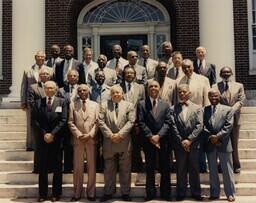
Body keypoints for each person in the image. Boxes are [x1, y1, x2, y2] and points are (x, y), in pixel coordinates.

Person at [98, 85, 135, 202]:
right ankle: (108, 192)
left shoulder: (129, 105)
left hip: (124, 141)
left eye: (118, 92)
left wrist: (120, 135)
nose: (116, 94)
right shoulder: (104, 105)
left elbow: (131, 121)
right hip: (109, 141)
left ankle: (125, 193)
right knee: (109, 168)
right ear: (110, 94)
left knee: (125, 168)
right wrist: (110, 135)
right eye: (113, 93)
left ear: (122, 93)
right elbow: (100, 121)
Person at [168, 84, 203, 201]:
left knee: (194, 168)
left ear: (189, 93)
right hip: (179, 144)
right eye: (180, 92)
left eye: (184, 92)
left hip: (193, 144)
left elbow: (199, 125)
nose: (182, 94)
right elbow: (173, 126)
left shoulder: (197, 108)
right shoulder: (173, 109)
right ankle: (180, 193)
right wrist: (182, 141)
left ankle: (196, 192)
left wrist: (190, 140)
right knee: (180, 169)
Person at [33, 81, 67, 202]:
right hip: (43, 140)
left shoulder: (62, 102)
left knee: (57, 168)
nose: (48, 90)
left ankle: (55, 194)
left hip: (57, 140)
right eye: (46, 88)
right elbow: (35, 121)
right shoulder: (38, 103)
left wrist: (52, 134)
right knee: (43, 168)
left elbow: (63, 120)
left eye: (51, 88)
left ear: (56, 89)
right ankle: (42, 194)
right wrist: (45, 134)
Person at [137, 80, 171, 201]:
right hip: (148, 141)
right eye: (150, 86)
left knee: (165, 168)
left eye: (155, 86)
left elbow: (168, 122)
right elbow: (141, 122)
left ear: (159, 89)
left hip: (163, 141)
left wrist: (159, 136)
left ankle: (165, 194)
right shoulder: (141, 104)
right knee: (150, 168)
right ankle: (150, 194)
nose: (153, 88)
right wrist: (151, 136)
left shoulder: (166, 105)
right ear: (147, 89)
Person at [202, 88, 236, 202]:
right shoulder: (204, 110)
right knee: (212, 170)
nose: (213, 98)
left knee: (227, 171)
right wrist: (212, 138)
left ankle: (230, 194)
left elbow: (228, 126)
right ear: (208, 97)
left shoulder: (228, 110)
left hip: (224, 143)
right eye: (211, 96)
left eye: (216, 96)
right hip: (210, 144)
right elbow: (202, 126)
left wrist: (218, 137)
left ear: (219, 96)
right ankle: (214, 193)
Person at [178, 59, 210, 173]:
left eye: (189, 67)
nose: (186, 69)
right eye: (184, 67)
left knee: (199, 145)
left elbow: (207, 101)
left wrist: (206, 118)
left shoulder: (203, 80)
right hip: (183, 118)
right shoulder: (179, 81)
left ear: (193, 66)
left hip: (198, 117)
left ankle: (201, 168)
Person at [68, 84, 99, 202]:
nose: (82, 92)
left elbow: (97, 123)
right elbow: (70, 122)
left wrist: (90, 134)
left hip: (91, 139)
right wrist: (79, 135)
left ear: (89, 91)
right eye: (80, 90)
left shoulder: (96, 105)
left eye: (84, 90)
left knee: (92, 167)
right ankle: (77, 193)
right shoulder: (72, 105)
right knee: (77, 167)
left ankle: (91, 193)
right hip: (78, 140)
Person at [213, 66, 245, 173]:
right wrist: (225, 112)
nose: (226, 73)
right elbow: (215, 100)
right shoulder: (215, 86)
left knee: (234, 143)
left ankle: (236, 165)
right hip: (221, 119)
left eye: (228, 72)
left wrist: (231, 111)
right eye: (224, 72)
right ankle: (222, 165)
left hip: (235, 119)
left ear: (231, 73)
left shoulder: (239, 86)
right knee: (222, 143)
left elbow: (241, 101)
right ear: (220, 74)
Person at [21, 51, 52, 151]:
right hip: (31, 101)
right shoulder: (28, 70)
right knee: (30, 123)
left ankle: (44, 143)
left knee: (44, 122)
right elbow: (24, 86)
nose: (40, 58)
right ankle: (30, 144)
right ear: (35, 57)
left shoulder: (50, 70)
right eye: (38, 56)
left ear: (45, 58)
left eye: (42, 57)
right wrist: (23, 102)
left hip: (45, 100)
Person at [120, 66, 145, 175]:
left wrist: (139, 122)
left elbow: (143, 105)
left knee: (136, 147)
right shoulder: (118, 87)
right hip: (123, 123)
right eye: (127, 73)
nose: (129, 75)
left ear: (135, 75)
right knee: (123, 147)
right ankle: (123, 169)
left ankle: (136, 169)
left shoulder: (141, 88)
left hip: (136, 123)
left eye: (131, 73)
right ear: (124, 75)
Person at [28, 67, 51, 173]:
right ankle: (38, 168)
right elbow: (31, 103)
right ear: (39, 76)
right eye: (43, 74)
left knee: (50, 146)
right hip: (38, 120)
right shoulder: (33, 87)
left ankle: (49, 167)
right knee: (39, 146)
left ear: (49, 76)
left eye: (47, 74)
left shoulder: (53, 87)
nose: (45, 75)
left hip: (50, 120)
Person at [57, 69, 80, 173]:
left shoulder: (82, 89)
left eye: (74, 76)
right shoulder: (61, 90)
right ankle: (67, 167)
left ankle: (78, 167)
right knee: (66, 145)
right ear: (67, 78)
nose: (72, 78)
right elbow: (58, 105)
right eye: (70, 76)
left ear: (78, 78)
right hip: (65, 121)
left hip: (79, 121)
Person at [90, 70, 111, 172]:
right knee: (96, 145)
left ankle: (106, 166)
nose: (100, 78)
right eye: (98, 76)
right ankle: (97, 166)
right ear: (95, 78)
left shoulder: (109, 90)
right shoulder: (91, 90)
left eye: (102, 76)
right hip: (94, 121)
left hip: (106, 121)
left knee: (106, 144)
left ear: (105, 77)